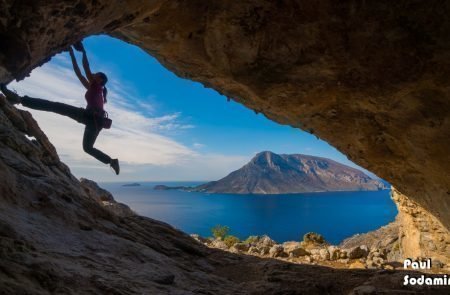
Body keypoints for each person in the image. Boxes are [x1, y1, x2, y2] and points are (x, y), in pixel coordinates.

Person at [0, 41, 120, 175]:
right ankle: (111, 161)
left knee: (54, 106)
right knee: (87, 148)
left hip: (90, 117)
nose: (92, 74)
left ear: (100, 80)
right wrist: (71, 53)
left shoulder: (97, 87)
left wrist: (84, 53)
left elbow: (85, 68)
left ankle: (18, 99)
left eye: (95, 75)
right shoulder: (94, 88)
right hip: (94, 122)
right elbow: (78, 72)